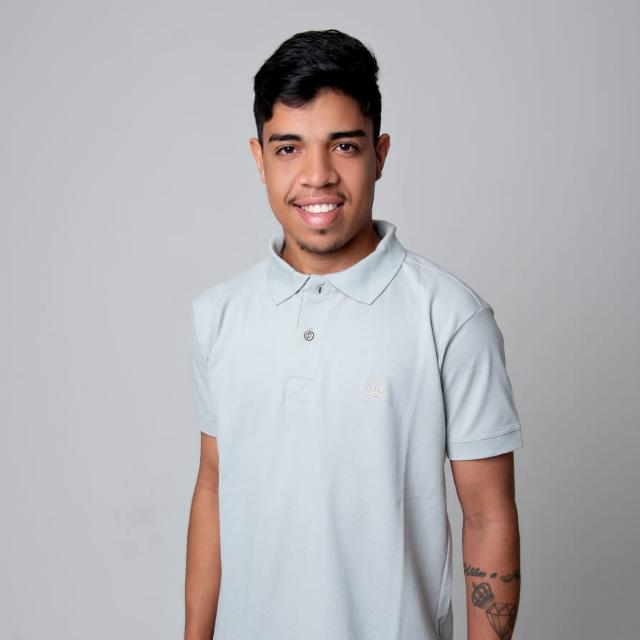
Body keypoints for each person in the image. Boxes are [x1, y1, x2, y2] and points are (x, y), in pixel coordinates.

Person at [184, 28, 523, 640]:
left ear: (380, 154)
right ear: (259, 158)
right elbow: (213, 485)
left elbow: (488, 516)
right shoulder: (218, 315)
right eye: (289, 148)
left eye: (343, 145)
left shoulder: (451, 317)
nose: (317, 176)